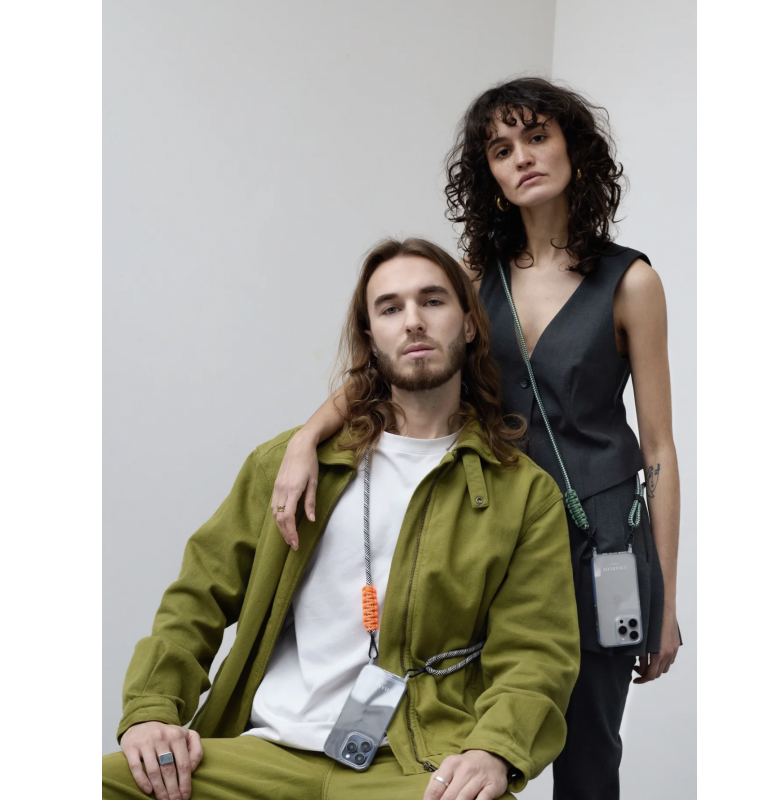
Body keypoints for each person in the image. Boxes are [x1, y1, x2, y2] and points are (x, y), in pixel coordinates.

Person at [271, 78, 682, 800]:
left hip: (600, 544)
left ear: (574, 150)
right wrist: (306, 440)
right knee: (465, 732)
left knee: (589, 751)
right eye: (501, 148)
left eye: (537, 137)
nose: (522, 157)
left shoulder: (631, 282)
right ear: (488, 173)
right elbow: (385, 369)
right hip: (491, 528)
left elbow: (659, 451)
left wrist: (667, 603)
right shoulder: (472, 279)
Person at [102, 237, 581, 800]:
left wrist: (494, 749)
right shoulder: (290, 466)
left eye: (432, 301)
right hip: (267, 752)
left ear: (470, 325)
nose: (413, 321)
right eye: (390, 308)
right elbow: (197, 598)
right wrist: (151, 710)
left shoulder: (523, 494)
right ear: (371, 339)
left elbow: (535, 651)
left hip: (412, 764)